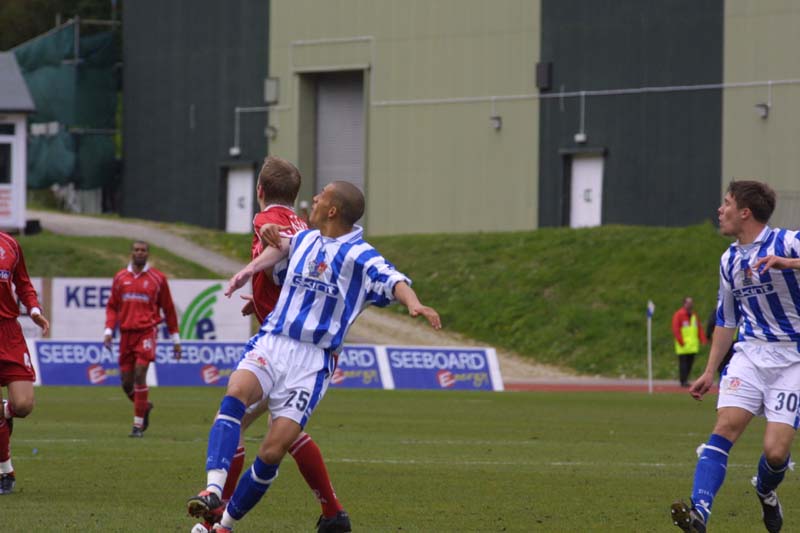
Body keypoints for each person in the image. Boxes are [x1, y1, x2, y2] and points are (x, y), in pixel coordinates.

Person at [186, 180, 441, 532]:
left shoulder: (361, 256)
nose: (315, 199)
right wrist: (251, 269)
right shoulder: (306, 239)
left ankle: (224, 525)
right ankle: (213, 490)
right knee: (235, 395)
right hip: (273, 341)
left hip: (312, 361)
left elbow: (393, 279)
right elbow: (281, 249)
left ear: (333, 210)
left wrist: (414, 303)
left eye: (321, 196)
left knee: (273, 451)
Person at [192, 156, 350, 533]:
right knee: (280, 428)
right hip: (302, 340)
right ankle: (332, 514)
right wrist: (261, 295)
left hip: (289, 345)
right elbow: (292, 273)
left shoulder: (266, 221)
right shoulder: (301, 223)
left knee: (238, 421)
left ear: (259, 191)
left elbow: (278, 257)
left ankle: (218, 510)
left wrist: (249, 273)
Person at [671, 180, 800, 533]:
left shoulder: (787, 241)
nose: (719, 210)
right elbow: (727, 320)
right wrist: (710, 370)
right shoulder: (728, 259)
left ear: (745, 212)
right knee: (725, 427)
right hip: (749, 355)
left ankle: (765, 490)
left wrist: (788, 263)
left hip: (793, 360)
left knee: (775, 452)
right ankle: (699, 513)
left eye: (726, 203)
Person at [104, 240, 181, 438]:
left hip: (147, 332)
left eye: (143, 250)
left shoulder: (158, 278)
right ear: (131, 253)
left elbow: (169, 309)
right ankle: (144, 406)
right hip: (126, 335)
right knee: (126, 383)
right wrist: (108, 331)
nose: (140, 253)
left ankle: (137, 427)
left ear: (148, 254)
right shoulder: (120, 278)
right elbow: (112, 306)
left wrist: (176, 339)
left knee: (140, 373)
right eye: (137, 250)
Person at [0, 231, 49, 494]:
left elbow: (24, 284)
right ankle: (5, 470)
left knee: (23, 405)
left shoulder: (10, 245)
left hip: (9, 333)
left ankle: (4, 411)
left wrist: (34, 311)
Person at [672, 297, 708, 387]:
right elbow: (676, 329)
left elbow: (698, 328)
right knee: (683, 364)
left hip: (692, 345)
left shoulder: (694, 315)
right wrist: (681, 341)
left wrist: (703, 339)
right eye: (688, 303)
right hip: (683, 346)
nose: (690, 305)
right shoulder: (679, 315)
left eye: (691, 303)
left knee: (690, 364)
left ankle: (686, 379)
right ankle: (683, 380)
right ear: (684, 304)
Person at [705, 308, 735, 380]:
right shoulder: (739, 310)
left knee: (723, 364)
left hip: (723, 342)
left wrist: (708, 336)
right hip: (734, 342)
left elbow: (711, 324)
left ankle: (722, 381)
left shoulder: (718, 311)